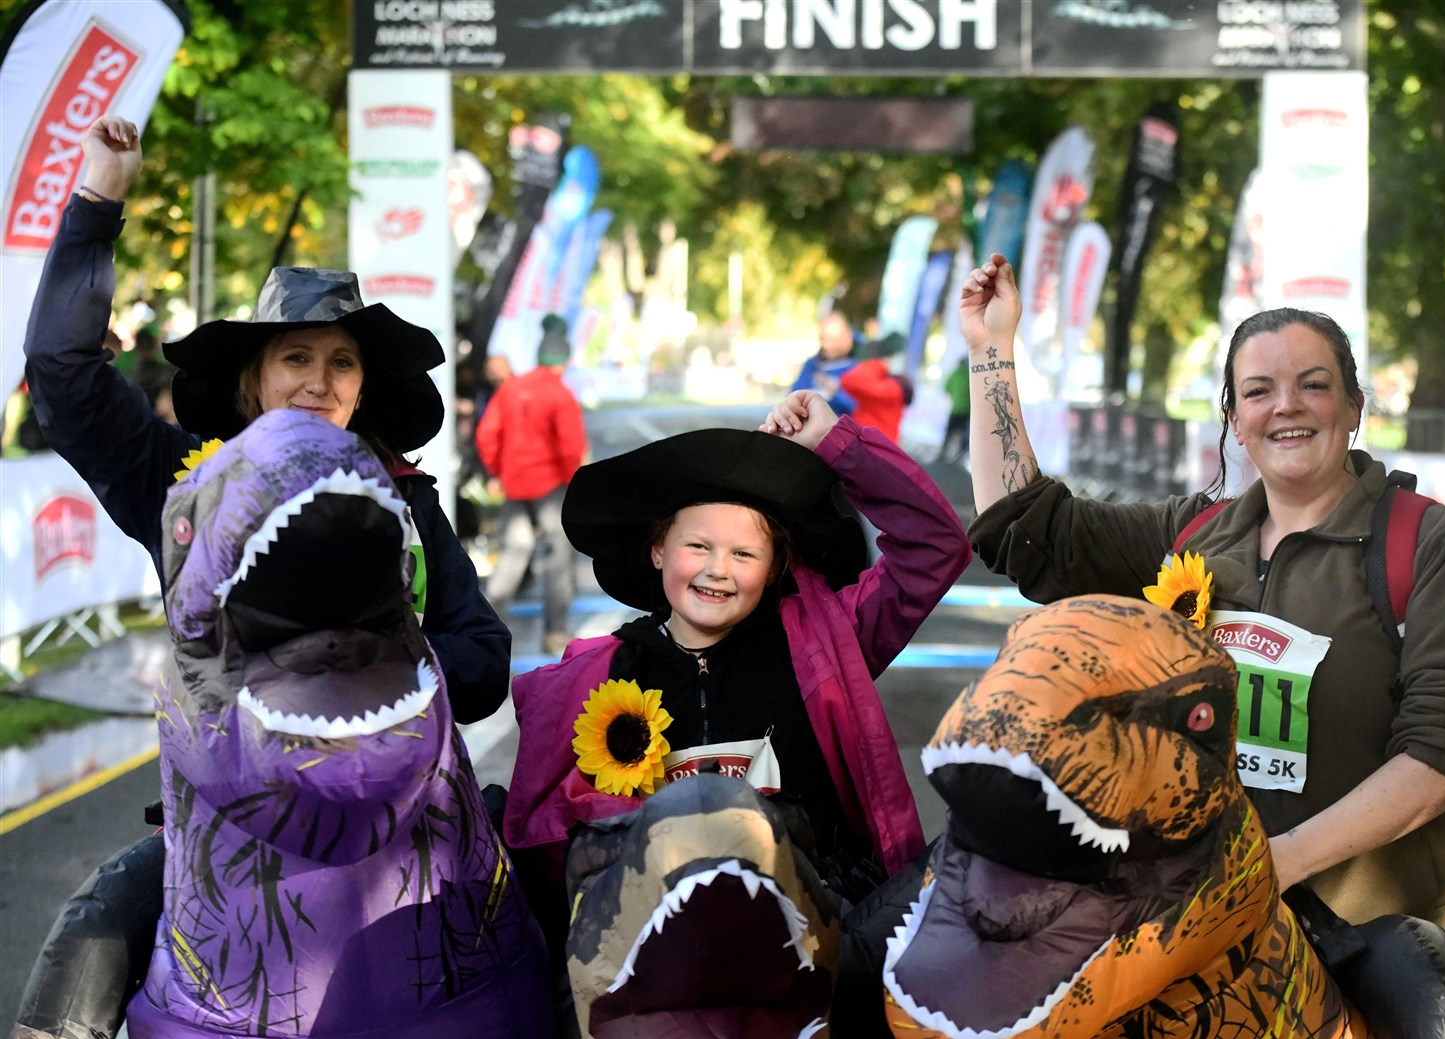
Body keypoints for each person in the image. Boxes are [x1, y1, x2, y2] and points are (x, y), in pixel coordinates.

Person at [958, 253, 1445, 929]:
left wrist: (1277, 865)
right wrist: (990, 350)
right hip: (1194, 916)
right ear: (1233, 418)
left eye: (1313, 385)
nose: (1285, 405)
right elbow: (1026, 531)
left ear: (1354, 408)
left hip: (1369, 937)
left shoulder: (1432, 545)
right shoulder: (1193, 532)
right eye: (1258, 391)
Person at [23, 114, 510, 725]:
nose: (319, 381)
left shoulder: (405, 496)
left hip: (397, 807)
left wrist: (379, 658)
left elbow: (485, 663)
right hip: (235, 813)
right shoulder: (187, 483)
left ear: (361, 389)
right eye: (296, 357)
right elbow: (60, 368)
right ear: (253, 379)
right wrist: (99, 199)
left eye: (342, 362)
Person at [502, 391, 970, 962]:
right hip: (658, 956)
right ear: (656, 551)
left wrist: (836, 444)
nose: (717, 569)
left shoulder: (825, 645)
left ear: (774, 566)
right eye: (697, 545)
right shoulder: (587, 678)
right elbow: (538, 841)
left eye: (745, 554)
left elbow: (936, 547)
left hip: (823, 943)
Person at [477, 313, 588, 654]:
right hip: (552, 487)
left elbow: (486, 435)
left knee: (513, 552)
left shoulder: (511, 389)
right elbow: (571, 446)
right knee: (557, 557)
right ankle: (555, 633)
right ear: (564, 360)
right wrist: (573, 482)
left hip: (515, 486)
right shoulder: (560, 393)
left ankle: (486, 626)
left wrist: (500, 471)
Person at [839, 331, 911, 443]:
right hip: (871, 446)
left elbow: (849, 380)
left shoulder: (892, 388)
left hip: (874, 448)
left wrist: (878, 364)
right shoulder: (887, 384)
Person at [791, 311, 859, 416]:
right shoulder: (811, 365)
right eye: (823, 339)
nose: (827, 345)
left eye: (834, 340)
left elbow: (859, 407)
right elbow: (792, 396)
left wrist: (836, 392)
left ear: (848, 338)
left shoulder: (857, 368)